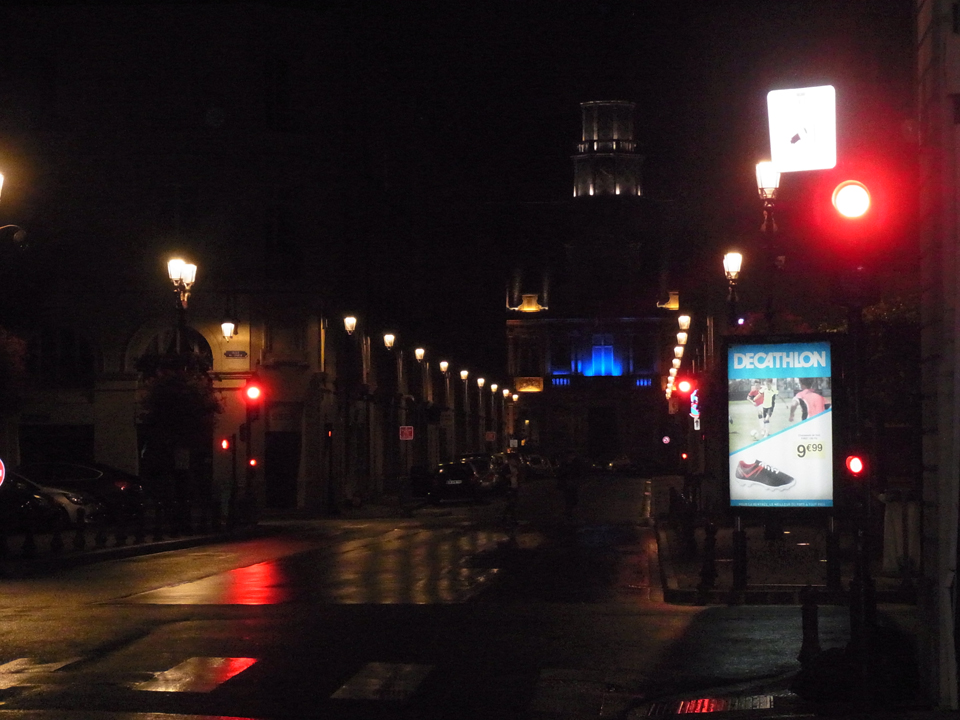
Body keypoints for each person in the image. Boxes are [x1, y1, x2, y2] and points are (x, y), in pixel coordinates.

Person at [557, 452, 582, 522]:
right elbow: (561, 474)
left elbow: (578, 473)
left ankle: (570, 512)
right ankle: (568, 512)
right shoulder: (564, 465)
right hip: (567, 484)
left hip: (572, 483)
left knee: (573, 498)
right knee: (568, 498)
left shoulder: (575, 465)